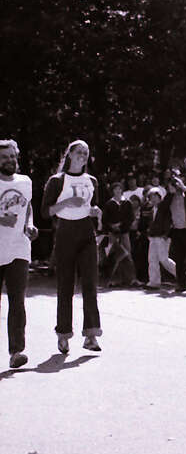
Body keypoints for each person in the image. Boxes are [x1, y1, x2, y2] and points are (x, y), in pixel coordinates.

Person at [42, 139, 103, 354]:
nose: (83, 156)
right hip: (66, 233)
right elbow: (45, 212)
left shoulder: (92, 180)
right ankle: (63, 335)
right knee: (65, 286)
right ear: (69, 154)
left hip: (87, 233)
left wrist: (95, 211)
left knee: (90, 285)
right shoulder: (57, 181)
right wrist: (67, 202)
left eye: (86, 153)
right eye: (79, 152)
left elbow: (93, 205)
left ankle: (92, 335)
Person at [0, 140, 37, 368]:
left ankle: (17, 352)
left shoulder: (25, 182)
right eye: (5, 157)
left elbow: (28, 207)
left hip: (19, 248)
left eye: (13, 156)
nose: (10, 160)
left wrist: (29, 224)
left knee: (17, 302)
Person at [161, 174, 186, 293]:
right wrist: (170, 193)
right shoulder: (169, 196)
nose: (175, 185)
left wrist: (183, 188)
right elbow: (163, 208)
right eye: (172, 183)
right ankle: (181, 284)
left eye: (176, 182)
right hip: (176, 230)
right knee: (179, 259)